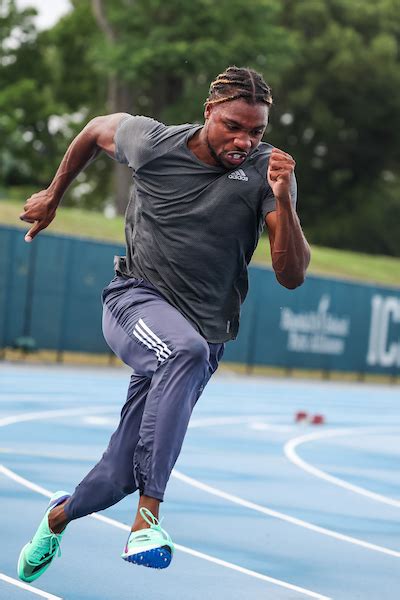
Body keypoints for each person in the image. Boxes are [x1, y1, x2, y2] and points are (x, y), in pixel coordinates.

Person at [17, 66, 310, 581]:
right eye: (234, 127)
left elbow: (291, 276)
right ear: (208, 113)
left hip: (204, 331)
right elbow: (91, 131)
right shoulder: (151, 143)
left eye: (257, 131)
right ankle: (147, 521)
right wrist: (53, 195)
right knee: (184, 351)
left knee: (118, 473)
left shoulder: (268, 173)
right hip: (136, 300)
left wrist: (284, 200)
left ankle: (56, 518)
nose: (245, 141)